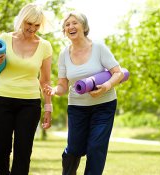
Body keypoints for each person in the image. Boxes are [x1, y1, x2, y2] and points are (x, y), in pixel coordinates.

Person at [44, 11, 125, 175]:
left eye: (75, 23)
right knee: (74, 149)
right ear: (64, 31)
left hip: (104, 105)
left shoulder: (99, 47)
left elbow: (119, 73)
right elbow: (63, 85)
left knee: (96, 148)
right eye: (67, 25)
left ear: (84, 26)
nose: (70, 27)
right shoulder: (64, 54)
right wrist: (54, 91)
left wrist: (106, 86)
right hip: (77, 107)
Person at [0, 3, 54, 175]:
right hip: (1, 100)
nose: (32, 28)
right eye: (29, 23)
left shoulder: (45, 46)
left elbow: (45, 80)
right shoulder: (5, 38)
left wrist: (48, 107)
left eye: (37, 25)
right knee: (0, 148)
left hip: (29, 104)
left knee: (23, 151)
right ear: (22, 19)